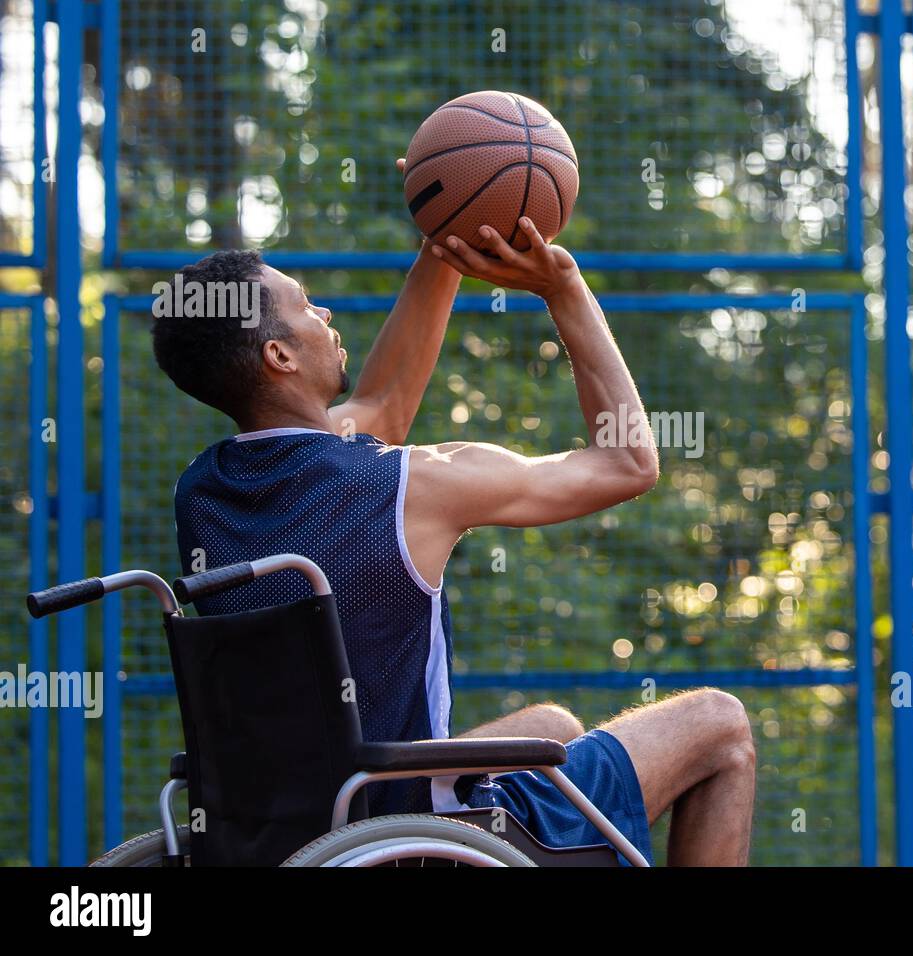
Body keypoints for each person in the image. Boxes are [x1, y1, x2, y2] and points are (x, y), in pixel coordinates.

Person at [151, 164, 754, 866]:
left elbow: (382, 409)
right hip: (409, 834)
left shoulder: (203, 491)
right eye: (307, 306)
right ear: (279, 354)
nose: (326, 315)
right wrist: (563, 287)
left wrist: (445, 239)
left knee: (552, 724)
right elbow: (628, 463)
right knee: (721, 725)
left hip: (293, 826)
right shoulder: (415, 484)